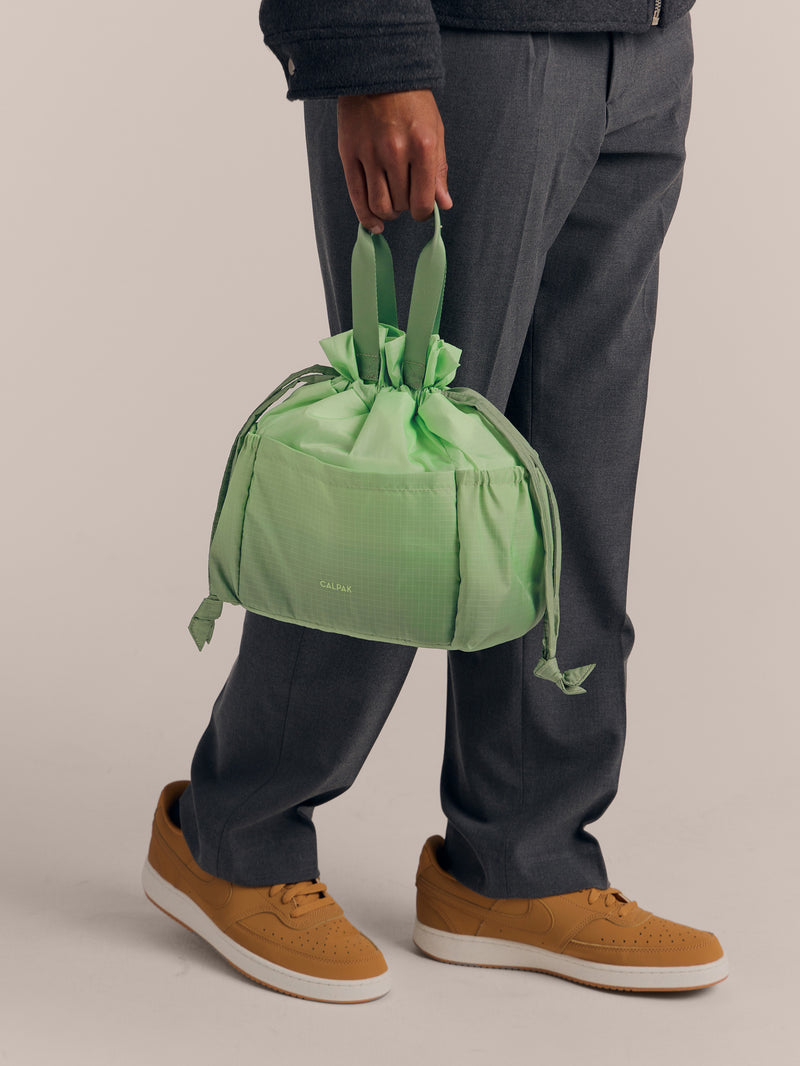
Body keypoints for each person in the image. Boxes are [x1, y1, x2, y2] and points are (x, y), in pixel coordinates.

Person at [142, 1, 729, 1003]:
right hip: (465, 47)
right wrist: (367, 54)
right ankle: (234, 831)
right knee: (398, 471)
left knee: (569, 480)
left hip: (639, 45)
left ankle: (518, 856)